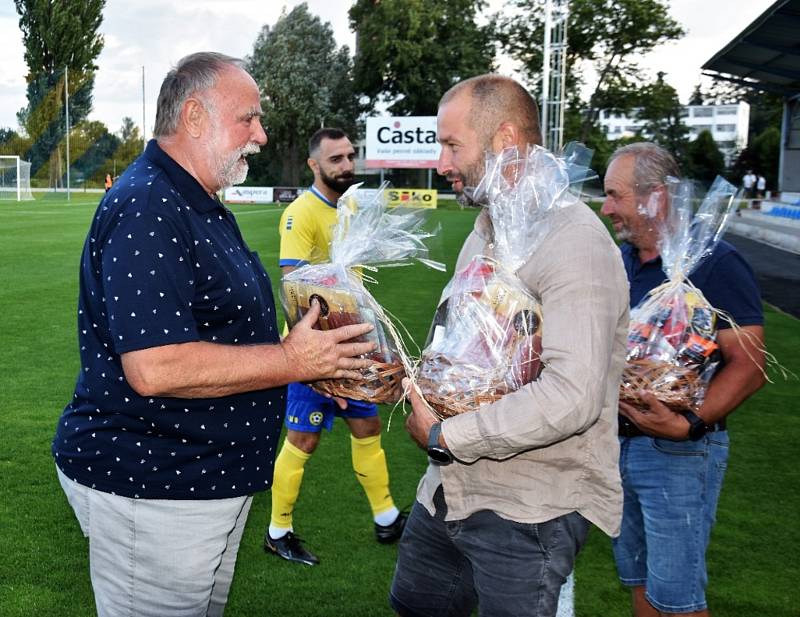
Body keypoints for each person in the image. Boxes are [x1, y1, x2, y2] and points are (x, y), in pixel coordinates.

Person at [52, 52, 376, 617]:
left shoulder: (192, 199)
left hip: (196, 485)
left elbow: (223, 329)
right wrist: (294, 362)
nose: (261, 134)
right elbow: (156, 367)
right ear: (195, 117)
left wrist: (315, 358)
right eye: (248, 117)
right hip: (154, 490)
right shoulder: (150, 206)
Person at [392, 74, 630, 617]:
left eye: (452, 145)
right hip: (449, 490)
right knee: (416, 605)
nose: (441, 163)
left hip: (530, 506)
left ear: (503, 140)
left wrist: (447, 435)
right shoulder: (486, 230)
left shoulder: (575, 241)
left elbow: (571, 396)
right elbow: (465, 350)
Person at [601, 142, 766, 617]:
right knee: (638, 580)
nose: (607, 207)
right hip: (619, 443)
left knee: (678, 598)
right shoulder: (623, 258)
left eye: (616, 196)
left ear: (658, 197)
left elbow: (750, 362)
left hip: (679, 451)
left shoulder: (714, 260)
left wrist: (690, 422)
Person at [264, 127, 407, 566]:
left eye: (350, 156)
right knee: (302, 439)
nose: (347, 165)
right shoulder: (301, 213)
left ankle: (387, 516)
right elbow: (295, 288)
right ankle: (278, 530)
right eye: (336, 159)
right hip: (315, 353)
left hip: (353, 346)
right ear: (314, 165)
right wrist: (318, 366)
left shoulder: (352, 209)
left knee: (367, 428)